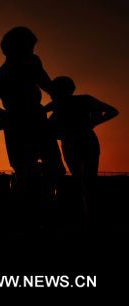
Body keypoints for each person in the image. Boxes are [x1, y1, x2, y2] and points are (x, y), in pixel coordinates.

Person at [0, 27, 64, 231]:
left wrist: (60, 101)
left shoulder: (33, 61)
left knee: (53, 165)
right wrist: (1, 114)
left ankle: (44, 207)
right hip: (17, 122)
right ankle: (25, 215)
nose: (31, 49)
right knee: (24, 169)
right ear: (12, 49)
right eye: (28, 46)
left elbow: (48, 85)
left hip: (36, 118)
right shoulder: (1, 75)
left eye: (32, 46)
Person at [45, 76, 118, 227]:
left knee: (81, 183)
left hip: (73, 144)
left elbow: (48, 127)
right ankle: (91, 219)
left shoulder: (58, 105)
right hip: (87, 141)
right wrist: (92, 124)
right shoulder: (84, 100)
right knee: (88, 183)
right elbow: (112, 111)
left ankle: (87, 220)